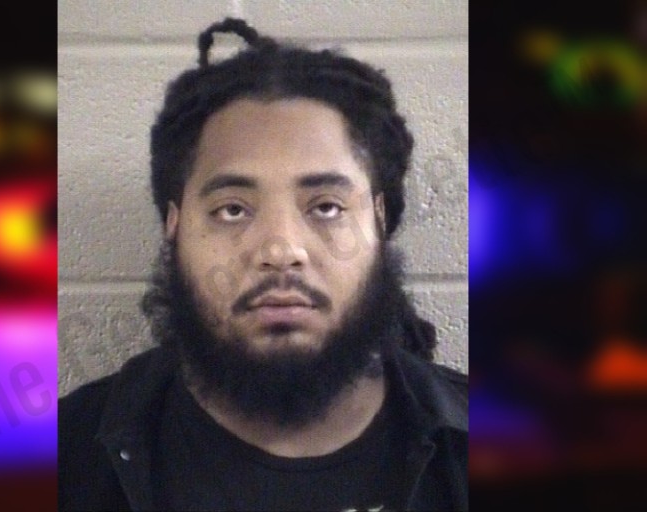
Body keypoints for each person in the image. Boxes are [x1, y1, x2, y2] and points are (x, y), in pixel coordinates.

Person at [59, 18, 467, 512]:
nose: (280, 250)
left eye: (326, 207)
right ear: (174, 225)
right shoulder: (65, 457)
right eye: (232, 210)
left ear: (379, 220)